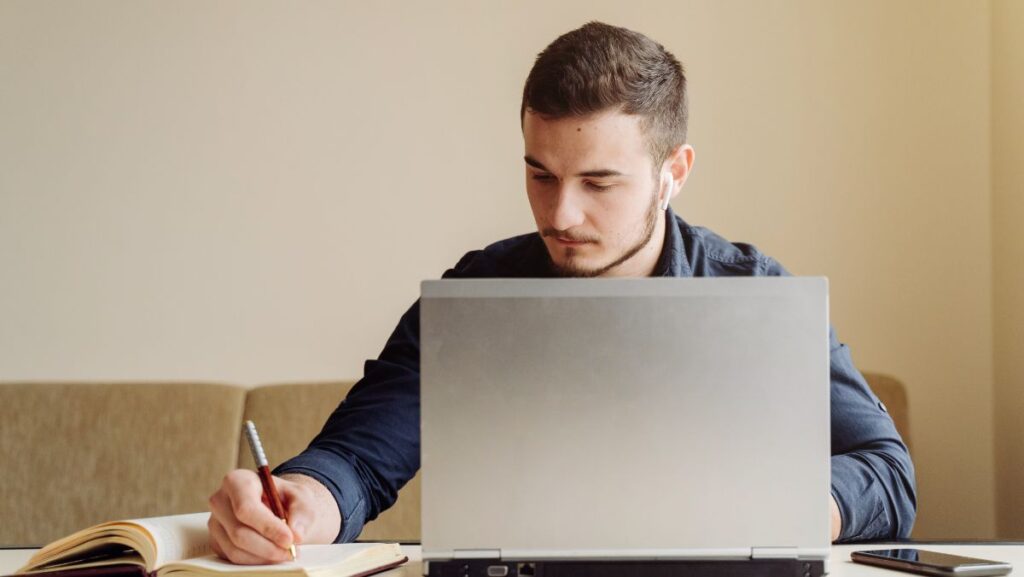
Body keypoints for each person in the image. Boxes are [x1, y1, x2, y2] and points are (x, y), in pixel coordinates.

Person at [207, 21, 917, 564]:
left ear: (675, 171)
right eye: (541, 174)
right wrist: (307, 500)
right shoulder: (478, 293)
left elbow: (887, 475)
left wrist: (781, 507)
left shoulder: (755, 292)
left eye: (598, 182)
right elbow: (359, 457)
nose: (560, 213)